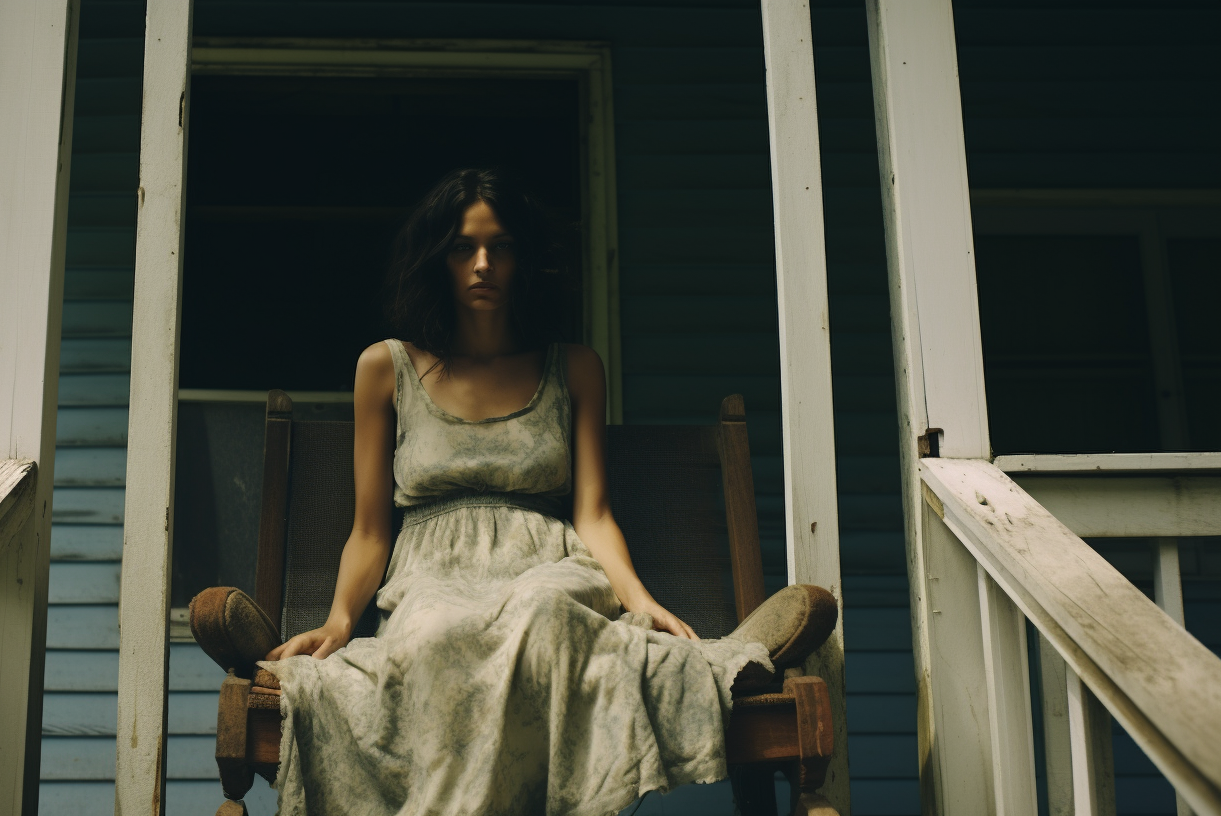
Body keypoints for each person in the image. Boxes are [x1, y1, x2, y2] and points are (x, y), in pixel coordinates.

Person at [191, 168, 836, 816]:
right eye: (463, 247)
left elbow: (595, 512)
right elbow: (369, 530)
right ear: (435, 258)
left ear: (522, 259)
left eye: (500, 246)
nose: (482, 264)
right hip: (433, 575)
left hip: (549, 567)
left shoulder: (574, 367)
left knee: (543, 614)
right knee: (439, 634)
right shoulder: (385, 367)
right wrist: (337, 620)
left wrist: (643, 602)